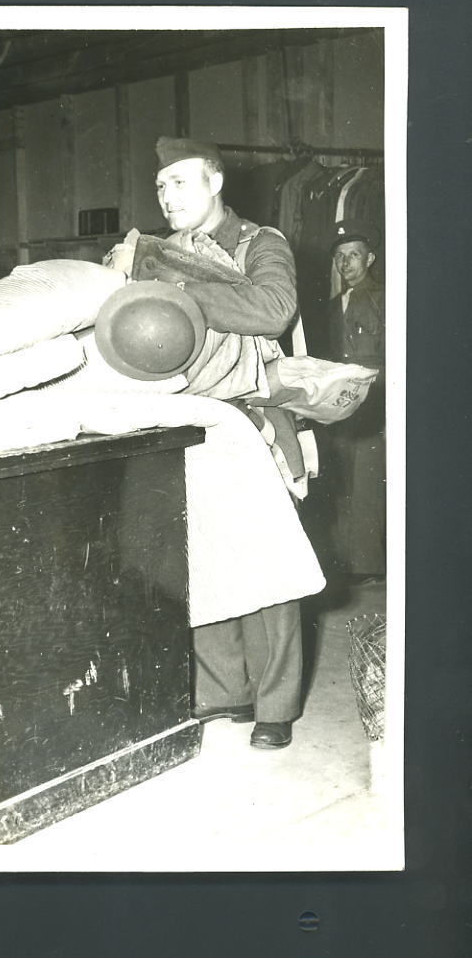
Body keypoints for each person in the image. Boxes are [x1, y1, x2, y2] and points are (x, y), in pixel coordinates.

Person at [108, 136, 304, 749]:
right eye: (161, 185)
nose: (168, 197)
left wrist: (181, 292)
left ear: (215, 182)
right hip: (183, 419)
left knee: (270, 567)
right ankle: (225, 692)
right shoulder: (151, 251)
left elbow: (273, 310)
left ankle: (275, 707)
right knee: (200, 557)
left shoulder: (260, 244)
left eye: (182, 182)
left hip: (251, 415)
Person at [326, 231, 386, 582]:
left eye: (354, 255)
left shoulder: (384, 298)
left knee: (366, 484)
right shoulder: (334, 305)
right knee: (343, 480)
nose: (346, 263)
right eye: (340, 256)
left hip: (375, 402)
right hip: (343, 404)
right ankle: (350, 565)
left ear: (370, 260)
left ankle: (367, 566)